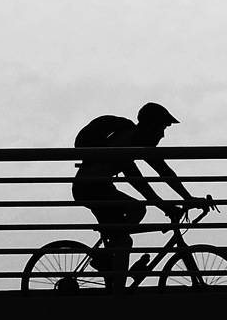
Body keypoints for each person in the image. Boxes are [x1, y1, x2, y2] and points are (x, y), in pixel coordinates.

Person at [71, 102, 208, 288]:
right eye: (162, 128)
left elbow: (165, 172)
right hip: (90, 189)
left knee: (128, 226)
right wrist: (164, 205)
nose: (163, 134)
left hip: (98, 188)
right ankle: (116, 284)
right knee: (128, 229)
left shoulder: (139, 142)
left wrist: (188, 198)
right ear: (150, 125)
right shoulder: (126, 140)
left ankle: (109, 262)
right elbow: (137, 181)